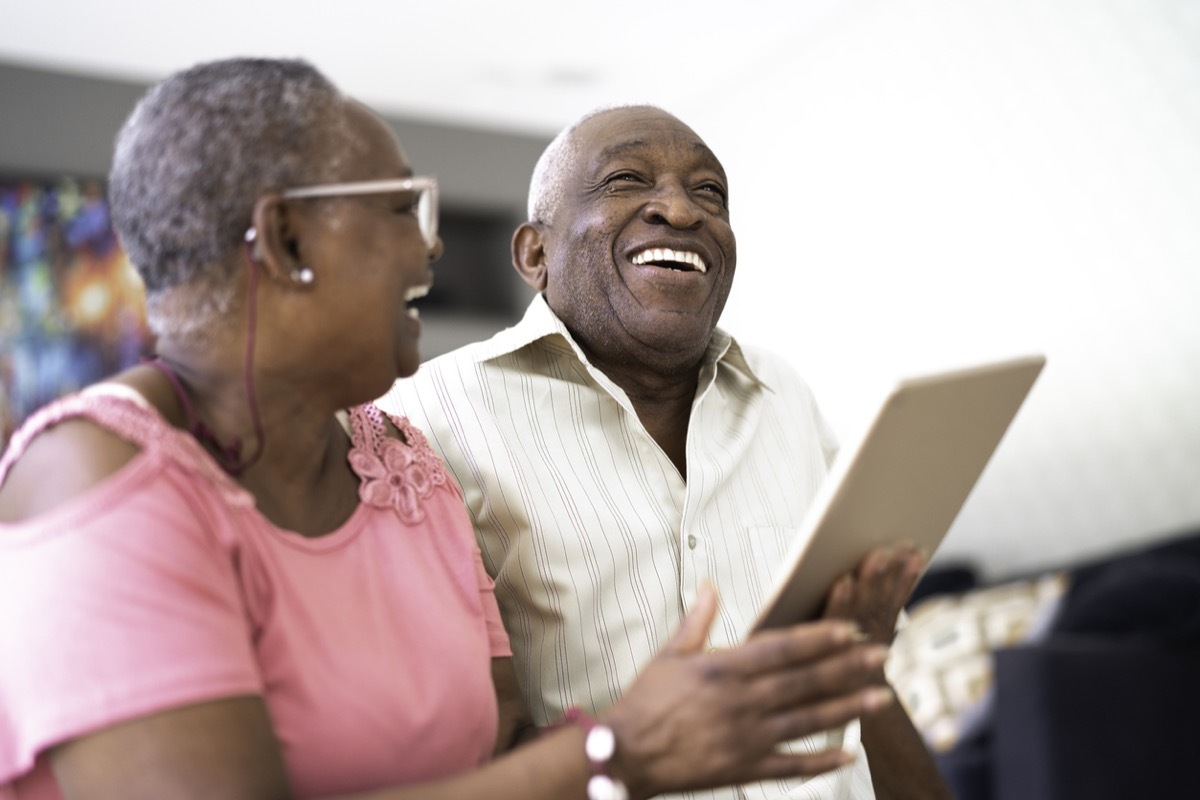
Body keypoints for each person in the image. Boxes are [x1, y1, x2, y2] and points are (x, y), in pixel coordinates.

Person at [0, 60, 899, 800]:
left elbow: (499, 748)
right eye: (403, 209)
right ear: (287, 242)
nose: (431, 246)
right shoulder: (93, 470)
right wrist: (617, 753)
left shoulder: (404, 468)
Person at [378, 105, 955, 800]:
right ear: (534, 254)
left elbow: (857, 681)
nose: (681, 211)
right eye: (626, 179)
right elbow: (456, 747)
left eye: (710, 191)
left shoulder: (785, 396)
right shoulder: (425, 418)